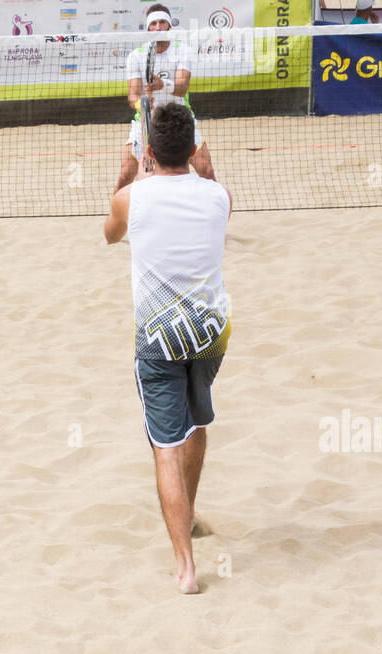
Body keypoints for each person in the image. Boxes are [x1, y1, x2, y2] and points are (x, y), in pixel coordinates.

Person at [104, 103, 231, 595]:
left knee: (165, 447)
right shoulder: (217, 195)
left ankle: (186, 567)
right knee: (197, 424)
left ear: (149, 150)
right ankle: (191, 513)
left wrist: (126, 177)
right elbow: (213, 205)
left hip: (159, 336)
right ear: (195, 149)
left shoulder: (132, 198)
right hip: (211, 331)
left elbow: (109, 236)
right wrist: (207, 170)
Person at [116, 4, 216, 192]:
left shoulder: (182, 50)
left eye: (163, 22)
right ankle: (117, 218)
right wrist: (141, 104)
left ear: (169, 26)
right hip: (147, 122)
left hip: (180, 119)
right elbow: (133, 95)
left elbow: (182, 87)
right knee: (125, 176)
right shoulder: (136, 56)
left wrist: (162, 85)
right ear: (148, 28)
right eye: (154, 23)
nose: (158, 26)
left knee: (207, 171)